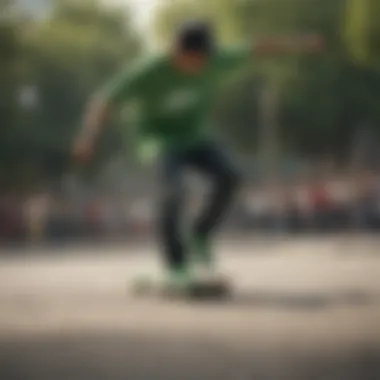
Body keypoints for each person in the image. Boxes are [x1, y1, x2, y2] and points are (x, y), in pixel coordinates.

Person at [73, 21, 323, 289]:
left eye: (205, 58)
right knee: (173, 190)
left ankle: (201, 235)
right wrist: (89, 137)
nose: (201, 65)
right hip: (158, 140)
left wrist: (300, 44)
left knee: (230, 178)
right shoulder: (150, 71)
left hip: (196, 136)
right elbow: (105, 99)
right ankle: (176, 265)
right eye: (195, 60)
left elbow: (259, 47)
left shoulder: (215, 61)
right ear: (176, 51)